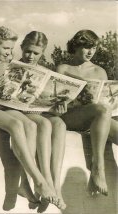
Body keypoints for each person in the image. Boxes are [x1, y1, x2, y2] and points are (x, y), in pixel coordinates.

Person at [0, 26, 61, 209]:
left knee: (32, 125)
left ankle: (29, 183)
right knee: (18, 124)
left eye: (11, 49)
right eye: (6, 49)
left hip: (6, 107)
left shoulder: (8, 65)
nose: (10, 53)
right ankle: (38, 180)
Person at [57, 29, 117, 196]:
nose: (91, 52)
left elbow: (104, 100)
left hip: (96, 115)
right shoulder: (63, 68)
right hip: (71, 116)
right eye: (86, 47)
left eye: (94, 48)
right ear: (75, 47)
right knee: (101, 110)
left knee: (104, 110)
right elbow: (54, 96)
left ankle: (94, 176)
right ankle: (98, 168)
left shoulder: (99, 71)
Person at [18, 31, 67, 210]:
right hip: (20, 112)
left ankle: (55, 185)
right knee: (44, 124)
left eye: (36, 53)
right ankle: (45, 181)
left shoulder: (46, 73)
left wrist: (58, 107)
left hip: (39, 111)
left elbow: (47, 103)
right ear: (22, 48)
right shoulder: (13, 67)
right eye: (28, 51)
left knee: (60, 124)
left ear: (42, 52)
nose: (31, 56)